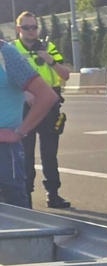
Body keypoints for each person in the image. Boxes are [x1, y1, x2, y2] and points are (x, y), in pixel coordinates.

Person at [12, 11, 71, 208]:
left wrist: (50, 60)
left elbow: (65, 75)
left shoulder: (48, 48)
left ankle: (53, 194)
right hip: (24, 107)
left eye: (34, 27)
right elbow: (6, 79)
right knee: (25, 154)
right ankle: (26, 196)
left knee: (49, 153)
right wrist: (24, 93)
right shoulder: (11, 50)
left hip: (49, 107)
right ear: (19, 29)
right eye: (27, 27)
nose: (31, 31)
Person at [0, 40, 59, 208]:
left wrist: (19, 132)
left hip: (4, 151)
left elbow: (47, 95)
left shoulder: (7, 54)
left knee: (15, 219)